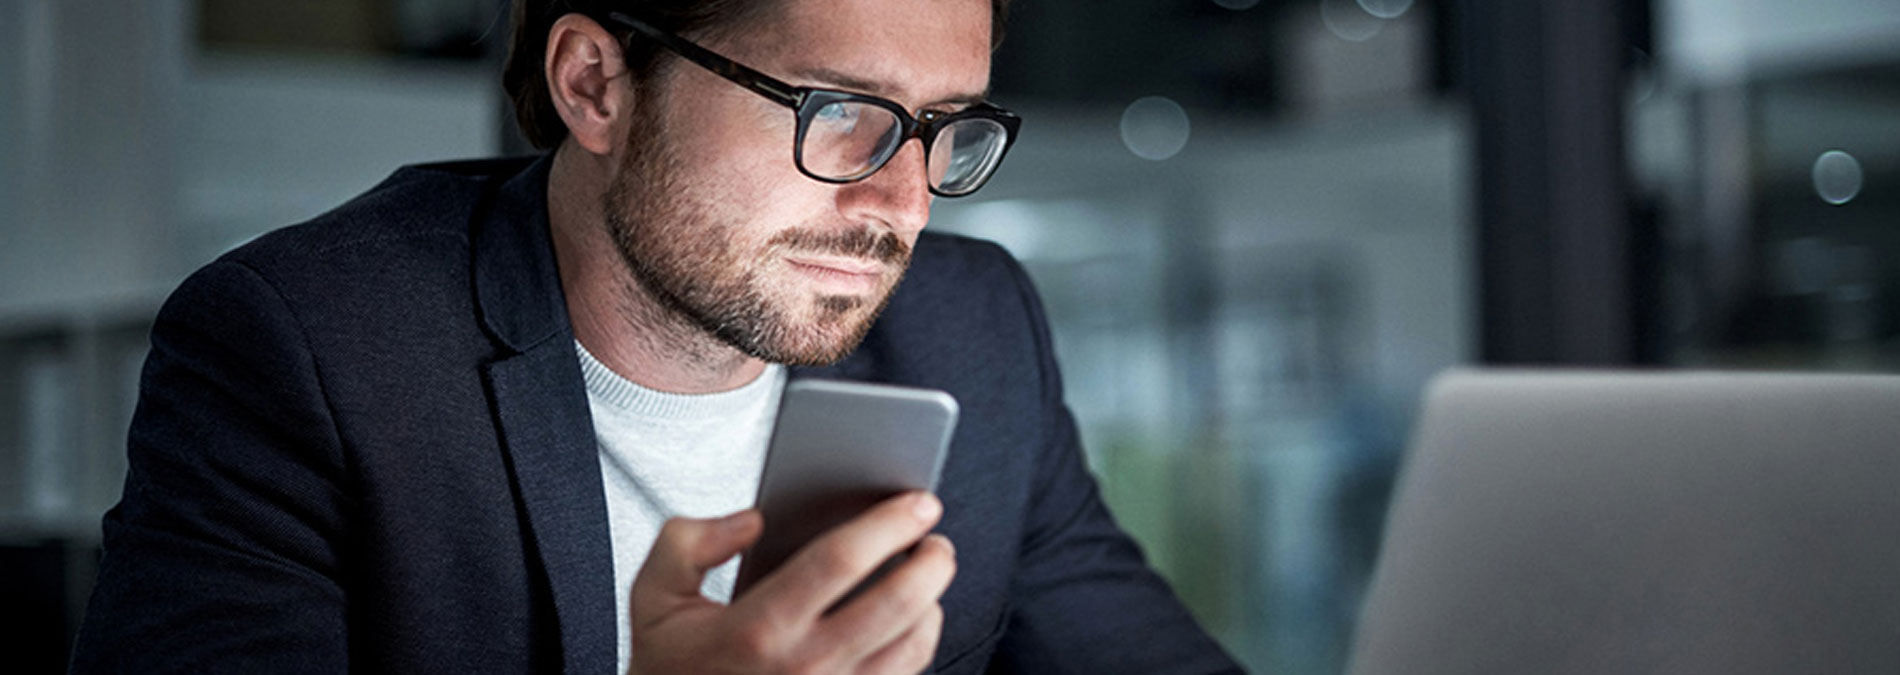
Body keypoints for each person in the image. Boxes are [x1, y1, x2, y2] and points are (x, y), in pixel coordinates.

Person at [71, 0, 1242, 672]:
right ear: (595, 84)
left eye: (945, 125)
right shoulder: (309, 348)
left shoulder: (972, 326)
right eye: (840, 111)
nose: (901, 201)